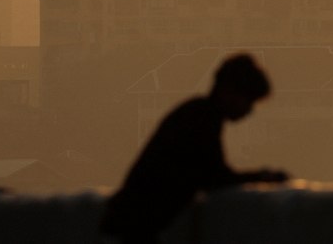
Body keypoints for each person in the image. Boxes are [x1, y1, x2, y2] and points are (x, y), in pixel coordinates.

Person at [98, 53, 289, 243]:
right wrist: (261, 177)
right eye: (248, 100)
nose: (248, 110)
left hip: (132, 221)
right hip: (137, 223)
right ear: (229, 92)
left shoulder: (195, 112)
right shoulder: (203, 120)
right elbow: (215, 177)